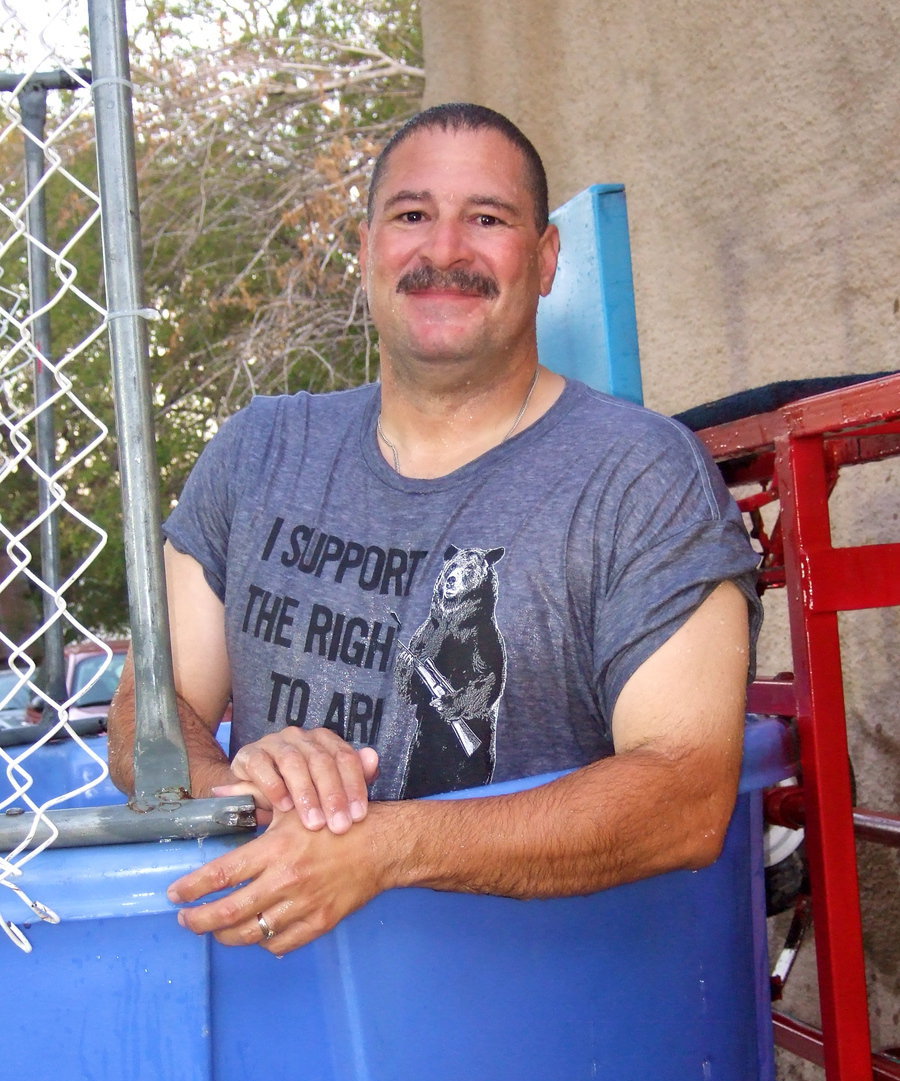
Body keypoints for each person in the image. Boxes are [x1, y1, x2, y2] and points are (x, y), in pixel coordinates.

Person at [108, 102, 761, 956]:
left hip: (532, 1018)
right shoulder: (262, 450)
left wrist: (387, 846)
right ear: (369, 250)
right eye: (412, 215)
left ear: (546, 258)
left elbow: (686, 795)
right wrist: (241, 790)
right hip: (290, 995)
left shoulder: (639, 476)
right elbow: (145, 712)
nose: (444, 251)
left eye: (486, 220)